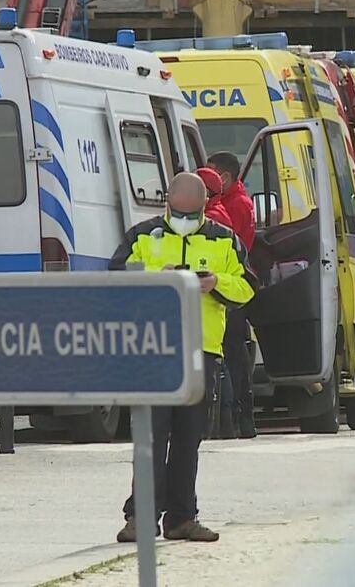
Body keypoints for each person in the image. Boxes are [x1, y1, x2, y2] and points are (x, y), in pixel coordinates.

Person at [109, 172, 256, 543]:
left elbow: (249, 287)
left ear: (205, 208)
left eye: (193, 215)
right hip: (153, 348)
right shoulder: (143, 236)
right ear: (167, 204)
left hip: (200, 350)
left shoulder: (224, 240)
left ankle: (181, 518)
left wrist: (216, 284)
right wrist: (160, 276)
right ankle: (140, 517)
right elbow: (116, 279)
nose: (186, 221)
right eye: (179, 213)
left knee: (189, 437)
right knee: (150, 436)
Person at [207, 152, 258, 437]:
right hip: (226, 287)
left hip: (229, 289)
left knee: (232, 356)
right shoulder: (231, 202)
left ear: (223, 177)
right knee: (231, 355)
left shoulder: (234, 205)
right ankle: (236, 419)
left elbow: (230, 249)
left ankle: (240, 418)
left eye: (210, 174)